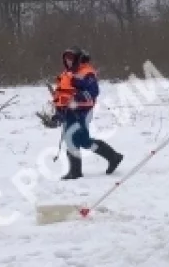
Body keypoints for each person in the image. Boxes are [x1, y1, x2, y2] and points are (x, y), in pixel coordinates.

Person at [53, 47, 123, 180]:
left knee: (72, 139)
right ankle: (113, 157)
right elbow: (61, 95)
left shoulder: (87, 72)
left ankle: (76, 171)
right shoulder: (66, 74)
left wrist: (76, 96)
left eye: (71, 58)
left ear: (78, 58)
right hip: (69, 111)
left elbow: (93, 92)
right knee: (82, 141)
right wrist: (59, 112)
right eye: (66, 58)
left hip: (82, 111)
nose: (68, 61)